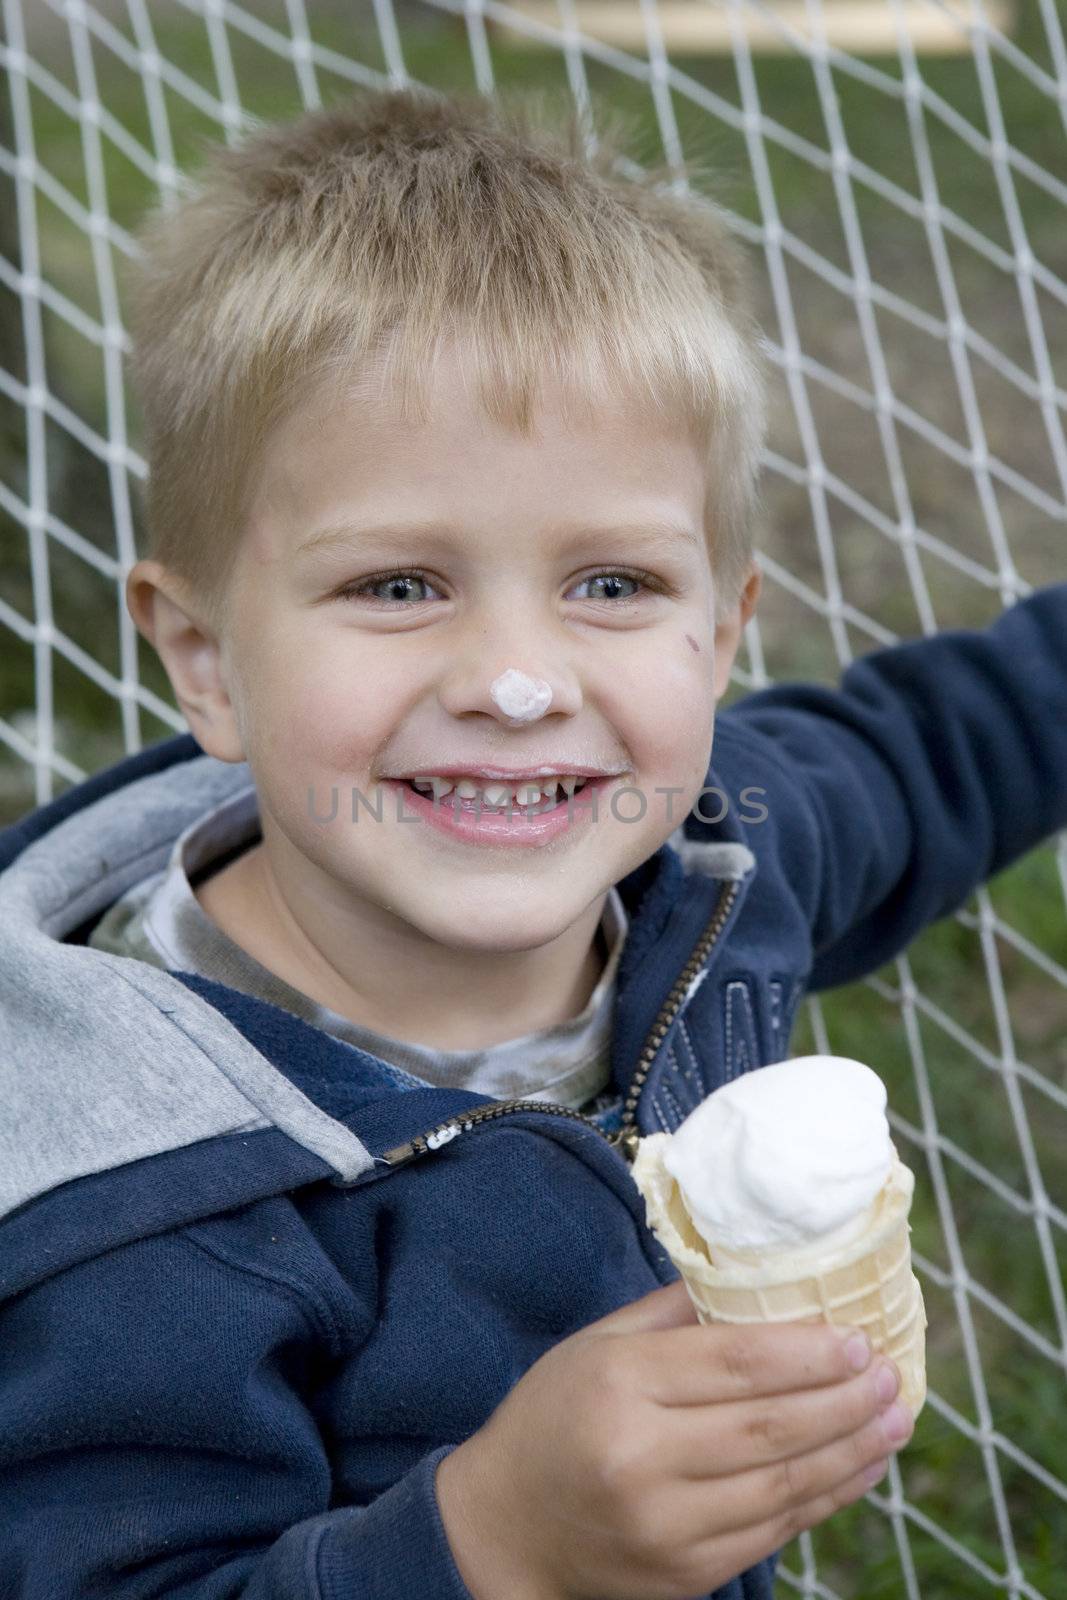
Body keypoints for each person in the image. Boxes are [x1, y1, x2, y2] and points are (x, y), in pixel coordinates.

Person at [0, 84, 1064, 1600]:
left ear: (720, 636)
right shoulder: (132, 1199)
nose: (516, 683)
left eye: (615, 586)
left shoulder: (714, 854)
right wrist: (494, 1547)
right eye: (398, 586)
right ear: (205, 659)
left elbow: (946, 745)